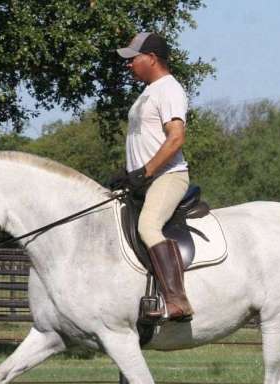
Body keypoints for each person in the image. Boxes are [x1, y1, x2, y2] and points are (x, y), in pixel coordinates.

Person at [114, 32, 194, 322]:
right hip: (144, 181)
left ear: (152, 58)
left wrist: (145, 171)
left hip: (168, 177)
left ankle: (177, 300)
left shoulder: (169, 89)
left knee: (148, 227)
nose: (129, 64)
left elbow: (176, 139)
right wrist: (127, 174)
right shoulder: (148, 92)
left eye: (133, 58)